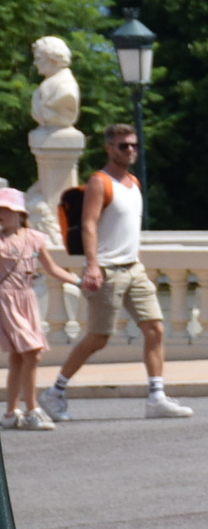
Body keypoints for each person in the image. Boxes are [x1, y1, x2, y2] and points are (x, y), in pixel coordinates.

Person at [36, 124, 192, 421]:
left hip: (134, 268)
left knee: (155, 328)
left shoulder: (133, 182)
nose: (130, 150)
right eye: (123, 146)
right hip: (107, 271)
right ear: (109, 148)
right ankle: (54, 392)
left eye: (133, 145)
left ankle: (156, 397)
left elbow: (127, 230)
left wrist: (137, 260)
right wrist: (93, 265)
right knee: (97, 338)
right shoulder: (100, 181)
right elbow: (89, 224)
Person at [0, 186, 81, 429]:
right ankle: (33, 409)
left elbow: (53, 268)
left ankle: (11, 413)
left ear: (20, 214)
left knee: (18, 357)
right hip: (6, 300)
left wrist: (79, 282)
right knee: (32, 352)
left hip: (27, 299)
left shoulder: (33, 238)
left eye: (7, 209)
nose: (2, 213)